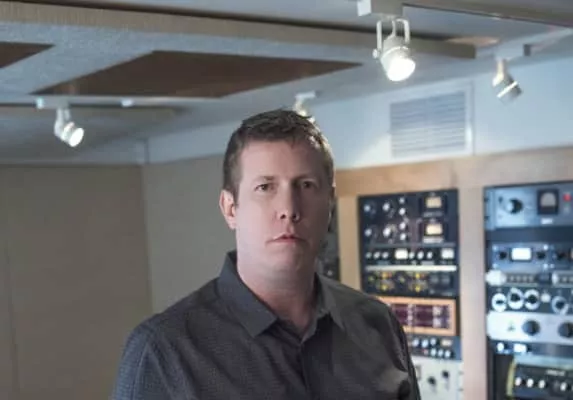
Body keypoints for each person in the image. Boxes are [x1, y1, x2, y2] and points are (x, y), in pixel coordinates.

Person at [111, 109, 421, 400]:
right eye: (265, 187)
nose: (289, 209)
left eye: (306, 185)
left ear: (329, 202)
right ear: (230, 209)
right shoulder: (164, 351)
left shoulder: (378, 324)